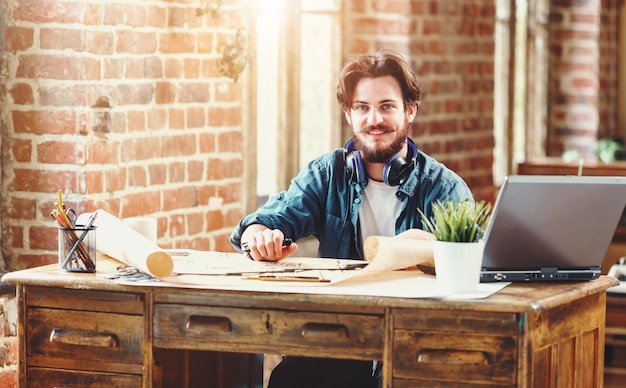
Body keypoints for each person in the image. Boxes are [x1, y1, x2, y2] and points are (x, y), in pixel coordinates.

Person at [230, 49, 473, 388]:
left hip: (415, 343)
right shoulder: (326, 174)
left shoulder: (445, 188)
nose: (375, 119)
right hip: (340, 340)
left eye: (387, 106)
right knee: (289, 378)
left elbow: (473, 269)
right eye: (363, 107)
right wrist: (258, 235)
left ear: (410, 111)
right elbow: (269, 219)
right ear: (349, 114)